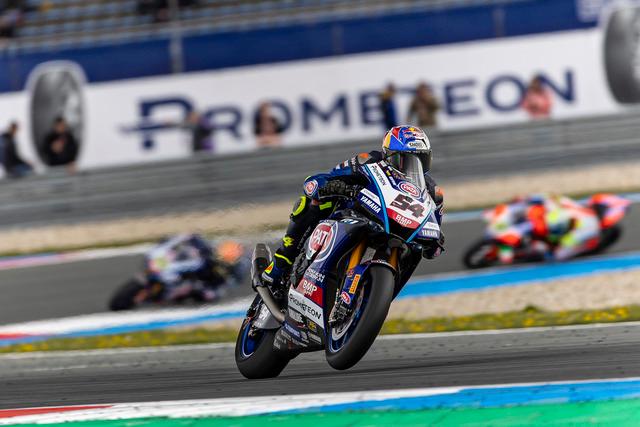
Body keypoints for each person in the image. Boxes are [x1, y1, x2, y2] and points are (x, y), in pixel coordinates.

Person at [261, 125, 445, 295]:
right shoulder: (368, 161)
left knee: (416, 249)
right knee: (310, 203)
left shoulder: (431, 191)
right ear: (389, 155)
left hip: (392, 230)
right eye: (406, 161)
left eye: (421, 160)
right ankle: (281, 262)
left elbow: (434, 232)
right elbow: (325, 179)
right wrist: (333, 186)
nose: (413, 168)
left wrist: (436, 240)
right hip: (353, 213)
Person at [496, 194, 600, 264]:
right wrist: (528, 198)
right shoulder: (564, 208)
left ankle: (518, 255)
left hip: (587, 238)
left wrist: (546, 251)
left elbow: (559, 255)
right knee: (533, 213)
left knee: (543, 251)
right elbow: (551, 197)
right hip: (579, 216)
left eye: (555, 231)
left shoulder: (576, 236)